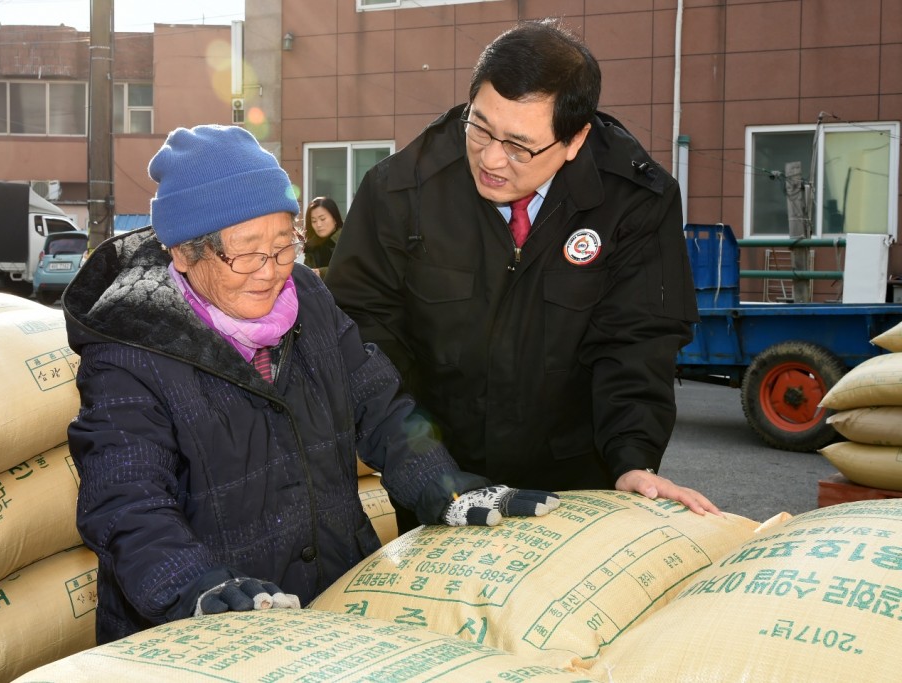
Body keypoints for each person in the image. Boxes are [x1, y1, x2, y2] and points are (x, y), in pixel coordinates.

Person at [62, 124, 560, 644]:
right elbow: (126, 500)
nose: (270, 272)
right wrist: (193, 588)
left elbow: (379, 404)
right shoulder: (130, 349)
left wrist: (441, 483)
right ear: (184, 254)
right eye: (247, 253)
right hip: (209, 628)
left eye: (284, 245)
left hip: (333, 605)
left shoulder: (308, 299)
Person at [325, 18, 719, 531]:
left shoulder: (634, 201)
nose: (490, 158)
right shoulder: (400, 190)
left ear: (575, 139)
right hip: (442, 475)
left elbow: (636, 343)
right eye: (480, 127)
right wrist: (421, 464)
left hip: (574, 484)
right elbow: (364, 338)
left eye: (518, 145)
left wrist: (632, 459)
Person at [302, 195, 343, 278]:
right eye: (314, 221)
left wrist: (321, 272)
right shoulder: (311, 247)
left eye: (323, 219)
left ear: (334, 219)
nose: (318, 225)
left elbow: (350, 269)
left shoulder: (346, 240)